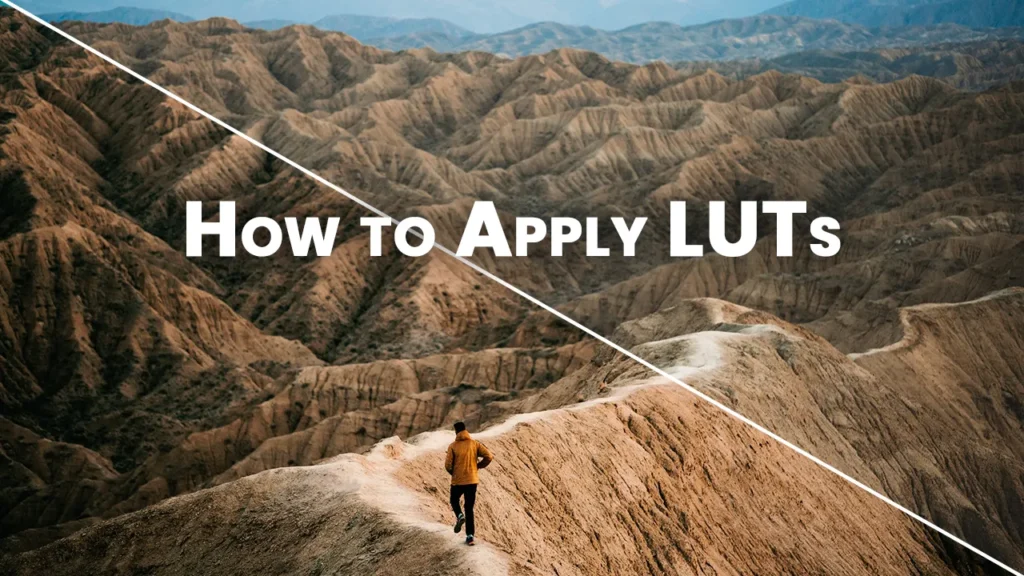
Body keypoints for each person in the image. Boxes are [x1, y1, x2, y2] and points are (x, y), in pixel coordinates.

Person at [444, 421, 493, 546]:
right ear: (465, 430)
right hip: (472, 480)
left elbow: (448, 465)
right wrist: (478, 466)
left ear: (456, 432)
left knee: (454, 500)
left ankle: (459, 516)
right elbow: (489, 456)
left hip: (458, 481)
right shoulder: (474, 444)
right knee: (469, 508)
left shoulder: (453, 446)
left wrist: (454, 474)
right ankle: (470, 537)